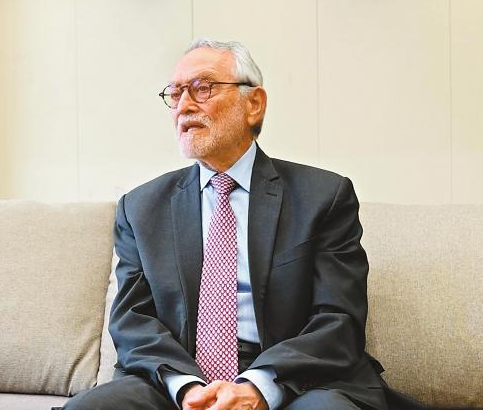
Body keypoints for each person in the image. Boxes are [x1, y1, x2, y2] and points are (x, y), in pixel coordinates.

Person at [63, 39, 419, 410]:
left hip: (296, 381)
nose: (184, 106)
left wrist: (257, 387)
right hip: (176, 379)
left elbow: (338, 320)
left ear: (254, 104)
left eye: (203, 88)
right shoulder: (141, 209)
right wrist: (188, 389)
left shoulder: (323, 197)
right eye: (175, 93)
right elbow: (132, 322)